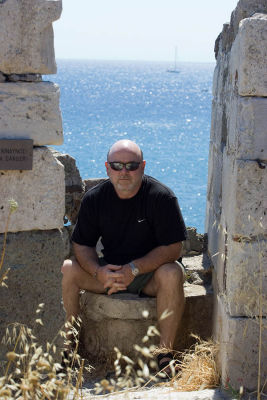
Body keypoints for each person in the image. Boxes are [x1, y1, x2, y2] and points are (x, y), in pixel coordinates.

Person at [61, 139, 187, 375]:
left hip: (147, 275)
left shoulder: (161, 197)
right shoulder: (95, 198)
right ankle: (68, 349)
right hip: (107, 273)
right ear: (107, 168)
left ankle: (165, 355)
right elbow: (82, 245)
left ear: (143, 166)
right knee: (69, 268)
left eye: (132, 165)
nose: (124, 172)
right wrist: (99, 271)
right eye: (117, 165)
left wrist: (134, 269)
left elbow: (173, 249)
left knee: (172, 272)